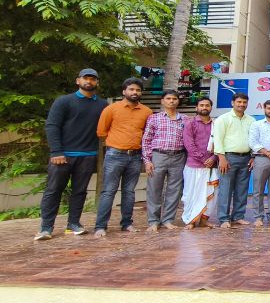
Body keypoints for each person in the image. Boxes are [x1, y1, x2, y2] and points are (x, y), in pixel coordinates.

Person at [35, 69, 108, 241]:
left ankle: (73, 224)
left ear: (97, 82)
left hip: (88, 155)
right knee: (53, 190)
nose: (89, 81)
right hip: (62, 155)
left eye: (93, 79)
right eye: (85, 78)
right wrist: (56, 151)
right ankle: (46, 227)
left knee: (80, 191)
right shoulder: (64, 101)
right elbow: (52, 126)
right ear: (78, 81)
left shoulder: (103, 105)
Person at [94, 78, 153, 237]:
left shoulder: (147, 112)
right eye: (131, 89)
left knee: (129, 191)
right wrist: (115, 144)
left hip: (135, 156)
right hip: (115, 155)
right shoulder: (111, 109)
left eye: (138, 90)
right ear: (124, 91)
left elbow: (148, 134)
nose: (135, 92)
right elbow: (101, 131)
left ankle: (127, 223)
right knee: (109, 191)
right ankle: (100, 226)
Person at [142, 89, 186, 232]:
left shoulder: (185, 119)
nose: (171, 101)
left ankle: (168, 220)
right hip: (158, 156)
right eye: (168, 98)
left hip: (179, 156)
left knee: (174, 190)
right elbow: (146, 140)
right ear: (162, 101)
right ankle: (153, 221)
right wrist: (147, 161)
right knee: (154, 189)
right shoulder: (154, 118)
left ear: (178, 101)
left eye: (174, 99)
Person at [213, 92, 255, 228]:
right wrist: (221, 158)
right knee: (225, 189)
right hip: (228, 158)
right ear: (233, 103)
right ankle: (224, 218)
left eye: (244, 102)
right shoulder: (223, 119)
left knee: (242, 189)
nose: (242, 104)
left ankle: (238, 216)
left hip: (246, 158)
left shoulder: (251, 120)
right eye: (239, 102)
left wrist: (253, 157)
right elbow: (217, 139)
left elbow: (254, 140)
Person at [181, 97, 218, 230]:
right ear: (196, 107)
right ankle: (190, 219)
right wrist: (203, 159)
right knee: (191, 193)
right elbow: (189, 144)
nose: (204, 108)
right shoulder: (190, 123)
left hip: (211, 166)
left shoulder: (216, 124)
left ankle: (203, 221)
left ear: (211, 108)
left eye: (207, 105)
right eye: (201, 105)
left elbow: (220, 143)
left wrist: (213, 158)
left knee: (211, 194)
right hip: (194, 165)